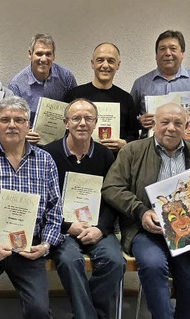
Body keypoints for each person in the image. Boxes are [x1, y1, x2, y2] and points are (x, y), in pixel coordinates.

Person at [101, 102, 190, 319]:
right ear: (154, 124)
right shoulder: (132, 151)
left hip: (185, 235)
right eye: (165, 122)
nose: (171, 128)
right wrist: (141, 212)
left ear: (186, 126)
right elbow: (111, 187)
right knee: (154, 265)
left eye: (178, 123)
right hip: (145, 231)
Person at [0, 96, 63, 318]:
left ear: (28, 126)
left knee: (39, 310)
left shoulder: (45, 162)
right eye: (5, 119)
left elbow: (55, 211)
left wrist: (44, 246)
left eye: (19, 120)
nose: (12, 125)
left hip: (29, 249)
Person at [43, 99, 124, 319]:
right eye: (76, 118)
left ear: (96, 123)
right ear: (66, 122)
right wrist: (67, 226)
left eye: (88, 118)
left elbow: (112, 197)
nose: (82, 123)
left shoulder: (105, 155)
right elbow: (42, 202)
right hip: (62, 229)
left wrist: (101, 228)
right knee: (70, 261)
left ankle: (84, 314)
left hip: (97, 227)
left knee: (115, 262)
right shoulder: (48, 154)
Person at [130, 30, 190, 139]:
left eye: (173, 48)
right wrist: (139, 122)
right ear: (156, 55)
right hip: (151, 151)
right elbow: (128, 121)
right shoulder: (141, 84)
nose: (167, 53)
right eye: (162, 49)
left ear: (182, 54)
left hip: (187, 150)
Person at [64, 42, 140, 152]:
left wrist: (125, 144)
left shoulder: (126, 99)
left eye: (111, 61)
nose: (105, 65)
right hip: (81, 161)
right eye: (100, 60)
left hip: (115, 163)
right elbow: (63, 132)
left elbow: (134, 136)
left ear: (118, 65)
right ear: (92, 63)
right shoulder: (75, 95)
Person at [9, 33, 77, 126]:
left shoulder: (66, 77)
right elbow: (14, 119)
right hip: (30, 138)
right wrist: (26, 133)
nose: (44, 59)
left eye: (48, 54)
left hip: (62, 136)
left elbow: (76, 108)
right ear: (30, 54)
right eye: (39, 54)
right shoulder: (16, 85)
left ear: (54, 56)